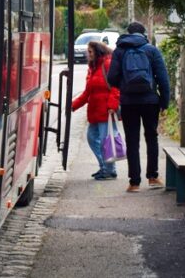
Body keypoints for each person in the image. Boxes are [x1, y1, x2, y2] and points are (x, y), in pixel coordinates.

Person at [106, 21, 171, 193]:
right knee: (151, 137)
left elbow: (111, 78)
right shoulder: (152, 50)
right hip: (150, 102)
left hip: (128, 102)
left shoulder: (120, 51)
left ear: (128, 33)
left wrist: (125, 85)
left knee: (132, 140)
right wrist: (164, 102)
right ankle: (153, 177)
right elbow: (163, 78)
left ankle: (134, 182)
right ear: (144, 34)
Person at [71, 40, 120, 180]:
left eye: (90, 51)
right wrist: (74, 105)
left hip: (106, 111)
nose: (88, 54)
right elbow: (88, 92)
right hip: (95, 112)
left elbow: (116, 87)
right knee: (92, 138)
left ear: (98, 51)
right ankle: (105, 167)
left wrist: (112, 106)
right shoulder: (93, 67)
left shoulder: (107, 64)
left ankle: (109, 170)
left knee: (106, 142)